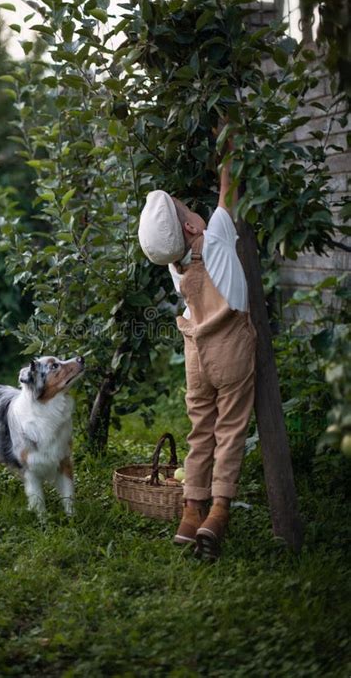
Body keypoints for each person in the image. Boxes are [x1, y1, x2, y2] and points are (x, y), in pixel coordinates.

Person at [138, 147, 256, 560]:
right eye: (187, 210)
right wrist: (227, 141)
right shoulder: (217, 236)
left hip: (196, 354)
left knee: (200, 431)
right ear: (191, 227)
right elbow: (229, 190)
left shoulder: (175, 265)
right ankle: (219, 510)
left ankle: (191, 512)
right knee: (230, 430)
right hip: (230, 348)